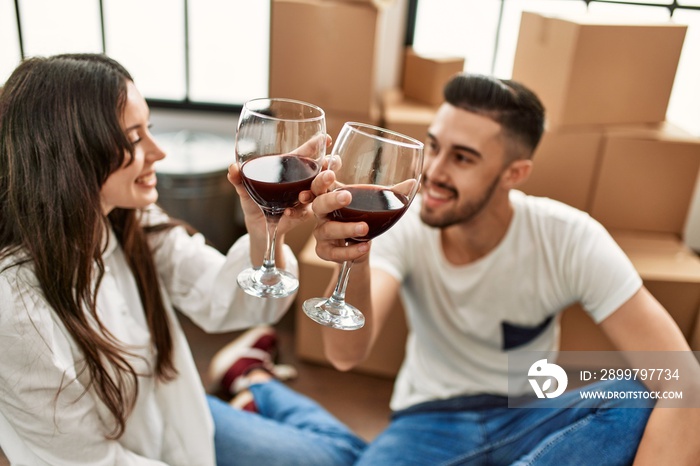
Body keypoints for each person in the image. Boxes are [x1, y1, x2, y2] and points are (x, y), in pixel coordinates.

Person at [309, 73, 700, 465]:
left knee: (637, 398)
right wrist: (354, 261)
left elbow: (685, 382)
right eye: (434, 146)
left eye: (462, 157)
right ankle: (262, 385)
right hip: (429, 420)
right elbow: (345, 356)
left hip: (528, 417)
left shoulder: (569, 238)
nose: (434, 172)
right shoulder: (403, 223)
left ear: (514, 174)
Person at [0, 53, 365, 466]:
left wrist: (266, 231)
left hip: (184, 418)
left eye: (149, 129)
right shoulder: (15, 311)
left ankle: (247, 376)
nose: (158, 152)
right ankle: (250, 379)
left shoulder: (127, 221)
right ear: (68, 153)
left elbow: (225, 302)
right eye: (135, 139)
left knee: (348, 456)